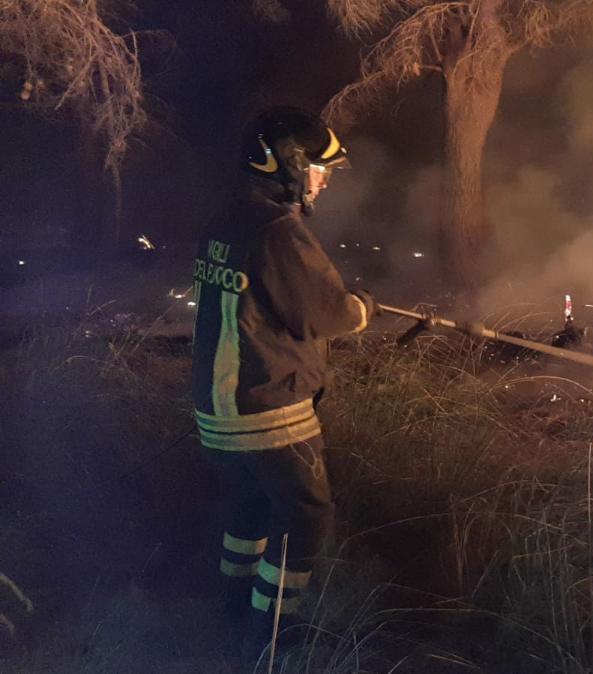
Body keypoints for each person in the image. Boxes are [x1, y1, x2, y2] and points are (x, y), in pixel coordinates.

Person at [190, 106, 374, 657]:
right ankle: (273, 638)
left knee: (250, 506)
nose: (323, 180)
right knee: (306, 516)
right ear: (288, 164)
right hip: (269, 409)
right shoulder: (279, 233)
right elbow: (329, 314)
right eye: (319, 168)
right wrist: (364, 306)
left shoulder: (225, 222)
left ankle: (232, 608)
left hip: (217, 410)